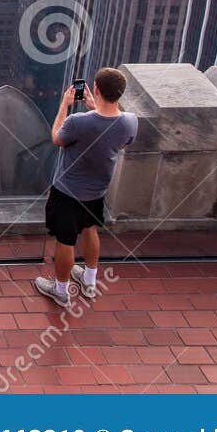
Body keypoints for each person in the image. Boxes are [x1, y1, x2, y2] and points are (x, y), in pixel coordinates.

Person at [35, 67, 139, 308]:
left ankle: (61, 291)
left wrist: (64, 105)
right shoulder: (130, 122)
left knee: (65, 240)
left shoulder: (77, 122)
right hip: (98, 190)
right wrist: (96, 107)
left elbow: (57, 138)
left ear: (96, 89)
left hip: (68, 191)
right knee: (90, 229)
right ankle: (89, 281)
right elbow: (115, 135)